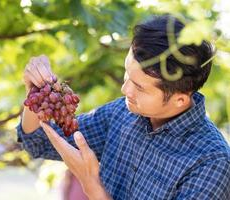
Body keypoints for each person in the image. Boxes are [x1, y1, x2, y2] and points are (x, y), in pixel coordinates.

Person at [16, 15, 230, 199]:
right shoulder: (121, 113)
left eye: (139, 87)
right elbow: (37, 142)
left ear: (180, 100)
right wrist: (35, 91)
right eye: (127, 73)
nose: (124, 89)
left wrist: (93, 188)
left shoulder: (212, 163)